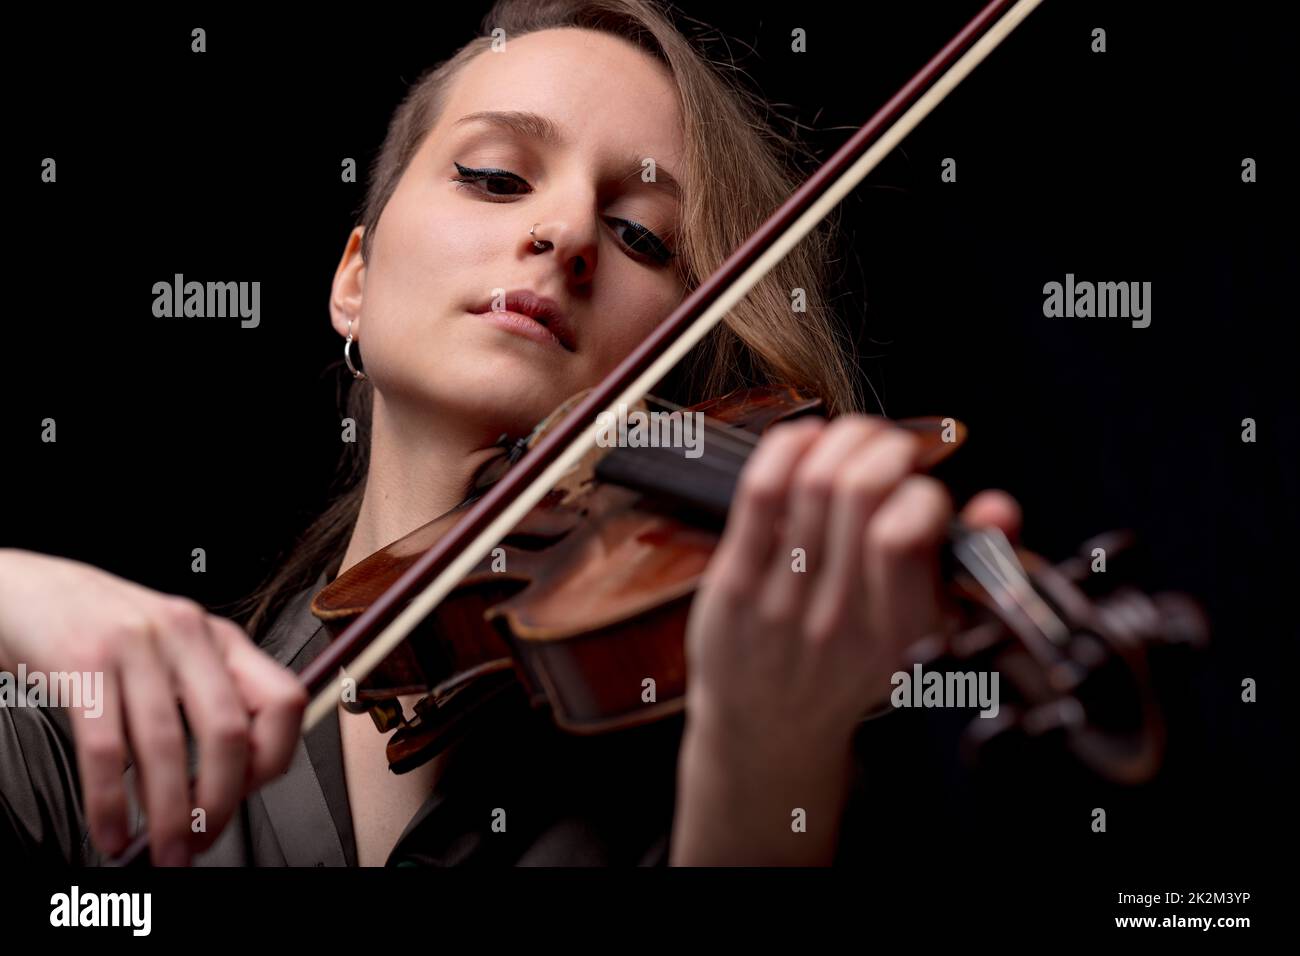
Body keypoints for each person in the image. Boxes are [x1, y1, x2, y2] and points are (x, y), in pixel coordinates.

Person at [0, 0, 1020, 867]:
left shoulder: (732, 764)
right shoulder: (105, 761)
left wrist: (759, 771)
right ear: (354, 280)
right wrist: (18, 586)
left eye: (642, 237)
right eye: (494, 176)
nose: (568, 232)